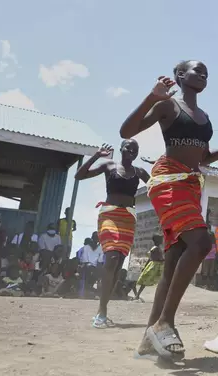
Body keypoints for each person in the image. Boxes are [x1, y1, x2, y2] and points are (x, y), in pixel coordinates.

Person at [119, 62, 218, 359]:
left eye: (206, 73)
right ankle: (165, 322)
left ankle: (148, 339)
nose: (202, 75)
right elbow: (127, 130)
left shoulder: (205, 118)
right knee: (201, 241)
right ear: (179, 77)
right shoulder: (168, 106)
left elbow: (203, 159)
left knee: (175, 259)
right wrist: (152, 97)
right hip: (166, 180)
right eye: (195, 71)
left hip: (190, 184)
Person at [74, 140, 150, 328]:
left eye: (135, 150)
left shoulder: (139, 172)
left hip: (128, 219)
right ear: (121, 149)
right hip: (109, 215)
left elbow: (157, 186)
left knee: (117, 265)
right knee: (112, 258)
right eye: (128, 148)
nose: (131, 152)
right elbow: (79, 175)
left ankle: (104, 306)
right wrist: (96, 156)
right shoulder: (109, 165)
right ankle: (101, 311)